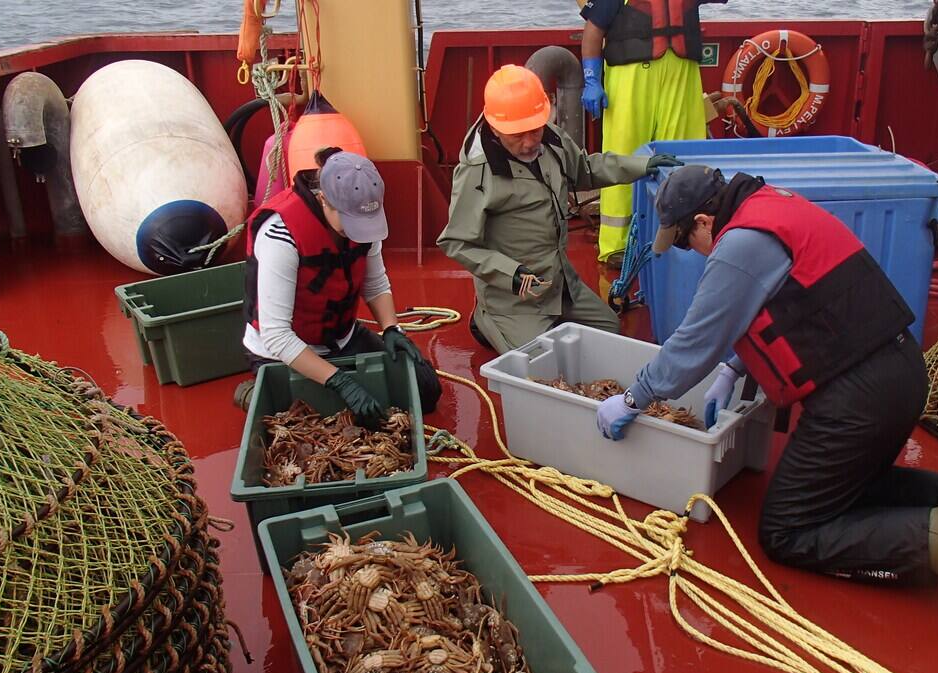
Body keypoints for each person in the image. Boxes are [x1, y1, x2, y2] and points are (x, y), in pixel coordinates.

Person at [594, 165, 938, 629]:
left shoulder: (739, 245)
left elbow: (694, 343)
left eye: (683, 240)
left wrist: (633, 400)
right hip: (899, 370)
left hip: (858, 397)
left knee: (787, 530)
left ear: (702, 220)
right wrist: (734, 367)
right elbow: (801, 301)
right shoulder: (772, 206)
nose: (690, 250)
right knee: (840, 488)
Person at [437, 64, 682, 353]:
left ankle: (553, 315)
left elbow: (585, 169)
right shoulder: (476, 173)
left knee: (609, 332)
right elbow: (456, 241)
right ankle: (487, 318)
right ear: (495, 128)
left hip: (560, 281)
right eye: (518, 135)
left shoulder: (551, 138)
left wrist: (641, 165)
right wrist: (509, 273)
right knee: (536, 361)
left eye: (534, 129)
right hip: (516, 296)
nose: (530, 142)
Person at [235, 147, 442, 422]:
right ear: (324, 199)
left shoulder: (364, 222)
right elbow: (277, 336)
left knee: (426, 388)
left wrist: (392, 329)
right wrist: (340, 382)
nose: (360, 229)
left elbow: (375, 284)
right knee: (318, 421)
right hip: (282, 351)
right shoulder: (280, 234)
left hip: (342, 339)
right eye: (350, 220)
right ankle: (253, 394)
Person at [580, 0, 727, 268]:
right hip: (630, 79)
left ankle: (683, 237)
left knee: (682, 157)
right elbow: (593, 29)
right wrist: (591, 79)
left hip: (682, 77)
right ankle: (617, 246)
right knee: (623, 157)